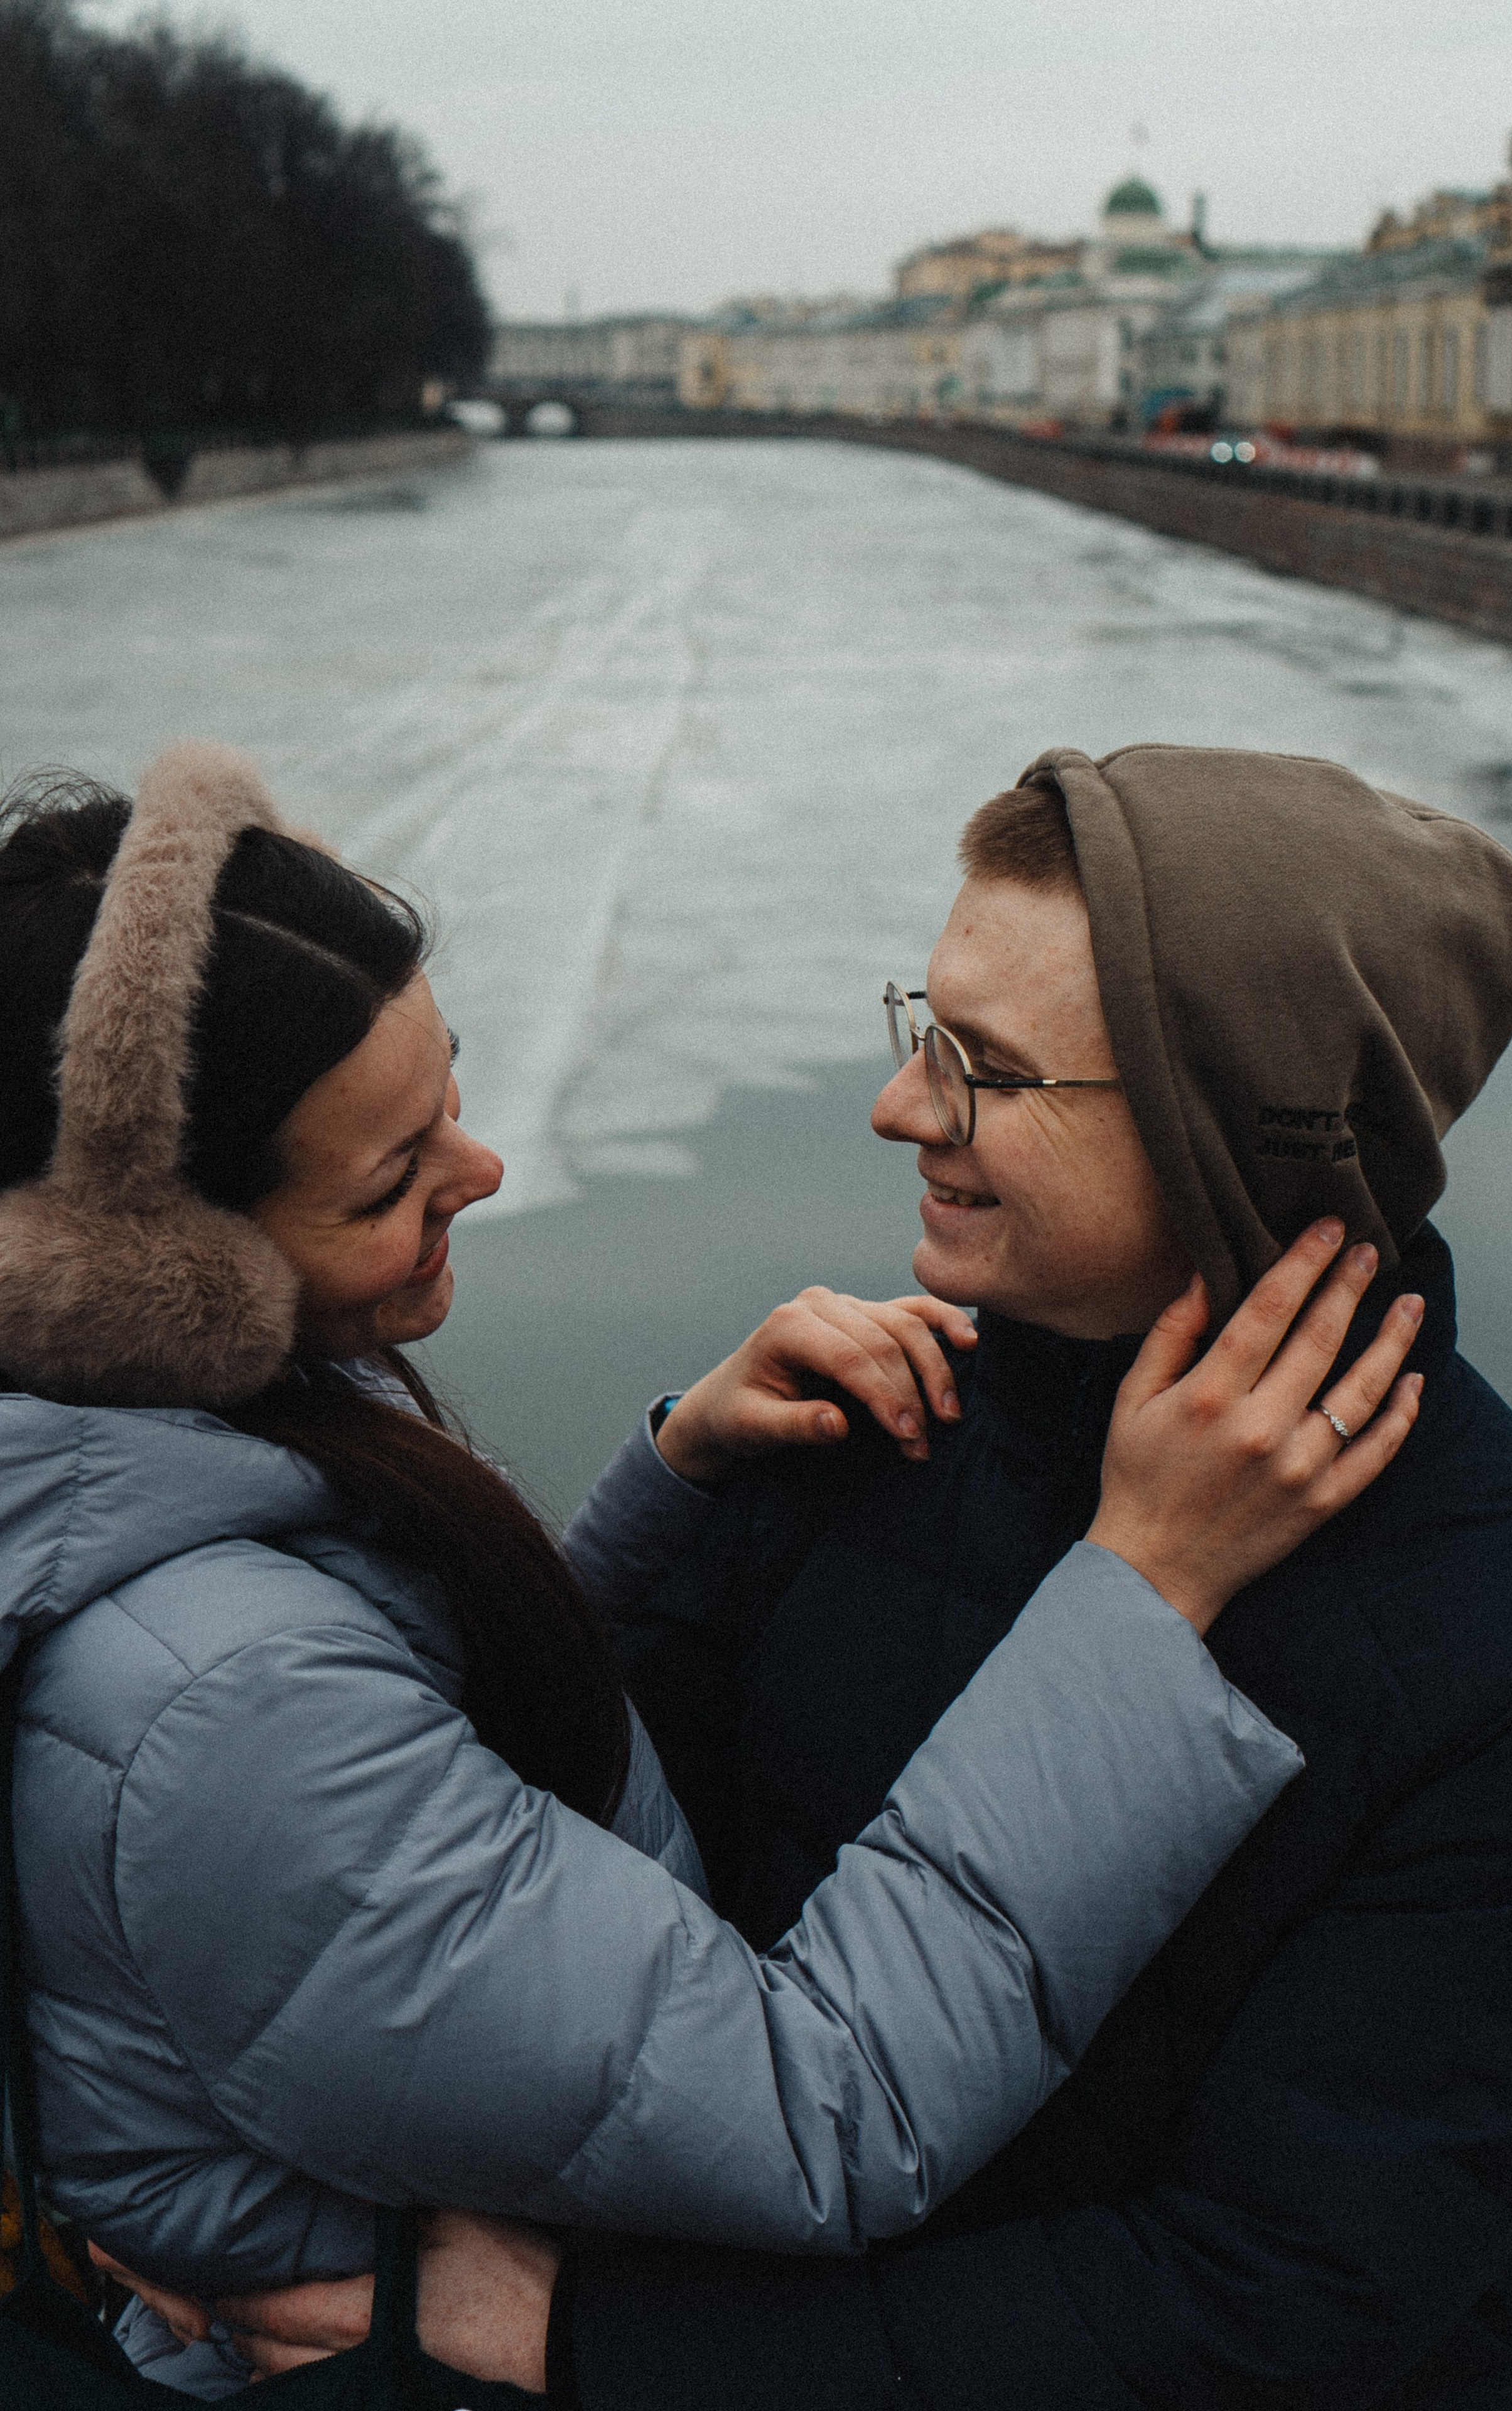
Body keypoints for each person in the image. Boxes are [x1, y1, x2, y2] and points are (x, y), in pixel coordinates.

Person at [0, 742, 1420, 2401]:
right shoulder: (221, 1704)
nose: (485, 1168)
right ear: (167, 1279)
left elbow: (424, 1786)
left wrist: (672, 1480)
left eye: (448, 1092)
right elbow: (822, 2109)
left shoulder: (174, 1446)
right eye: (395, 1180)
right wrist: (1145, 1587)